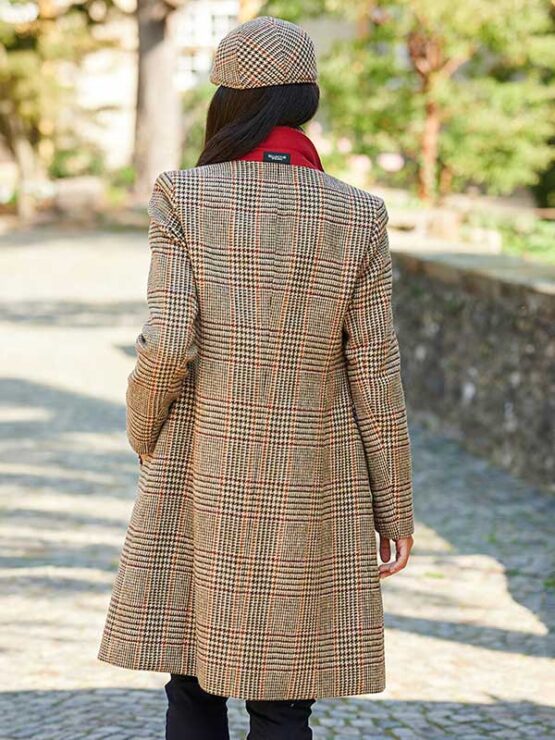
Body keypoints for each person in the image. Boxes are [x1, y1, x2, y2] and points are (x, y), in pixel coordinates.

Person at [98, 15, 415, 740]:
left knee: (191, 681)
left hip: (198, 466)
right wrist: (392, 508)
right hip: (315, 480)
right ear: (306, 100)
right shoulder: (359, 214)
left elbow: (167, 343)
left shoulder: (184, 196)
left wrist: (144, 431)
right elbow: (375, 374)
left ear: (226, 102)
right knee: (284, 696)